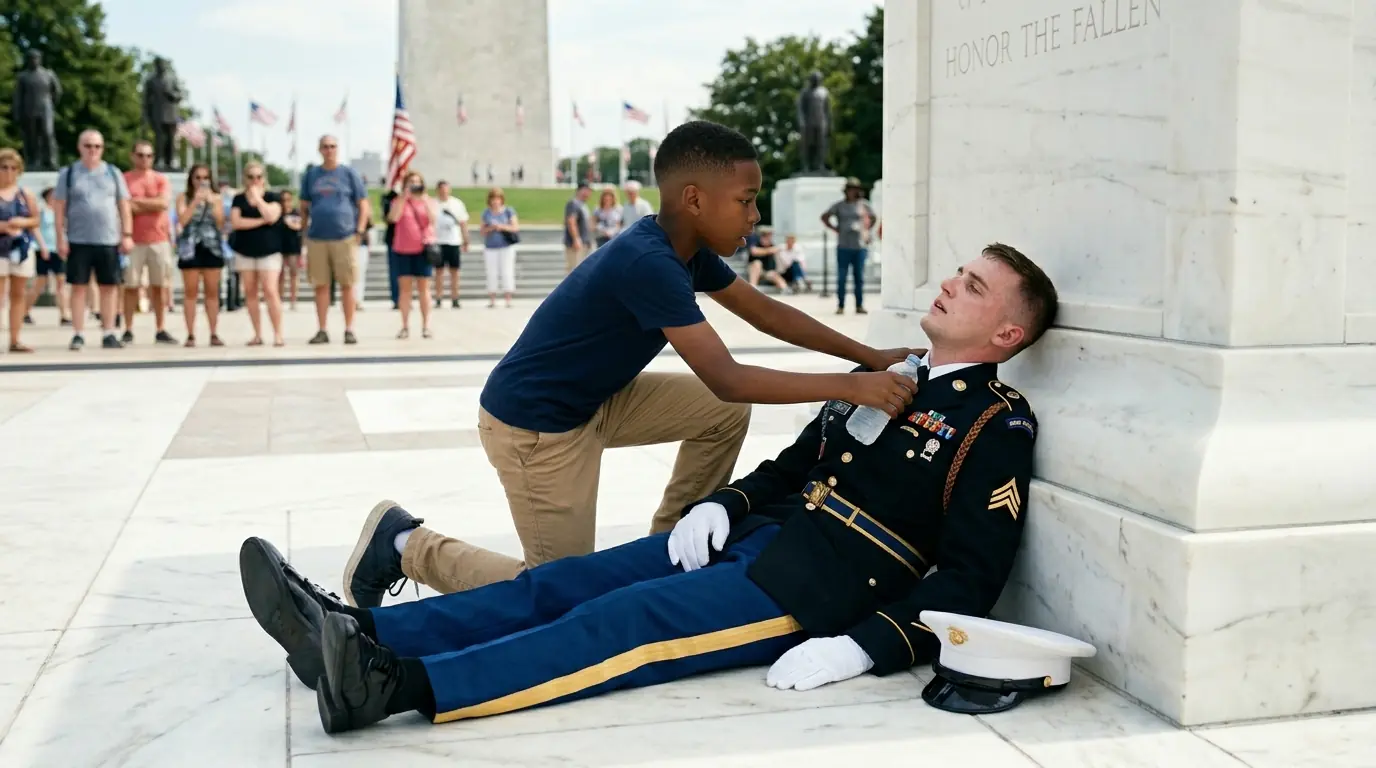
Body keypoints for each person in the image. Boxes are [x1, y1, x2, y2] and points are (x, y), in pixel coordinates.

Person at [238, 241, 1059, 733]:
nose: (950, 284)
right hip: (758, 540)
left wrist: (866, 646)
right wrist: (722, 504)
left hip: (818, 588)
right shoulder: (883, 374)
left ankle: (394, 688)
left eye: (974, 287)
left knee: (622, 623)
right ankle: (355, 634)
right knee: (563, 583)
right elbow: (790, 470)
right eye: (959, 271)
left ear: (1007, 334)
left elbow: (971, 577)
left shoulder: (995, 424)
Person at [334, 120, 923, 609]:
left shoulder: (685, 249)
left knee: (722, 412)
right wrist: (859, 386)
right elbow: (726, 372)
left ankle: (668, 549)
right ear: (695, 199)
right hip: (535, 429)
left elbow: (764, 312)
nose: (753, 216)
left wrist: (869, 356)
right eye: (745, 201)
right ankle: (405, 543)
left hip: (597, 402)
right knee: (564, 599)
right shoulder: (650, 262)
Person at [53, 129, 132, 350]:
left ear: (102, 148)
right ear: (80, 148)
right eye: (88, 145)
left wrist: (127, 234)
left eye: (97, 146)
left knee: (109, 286)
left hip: (108, 239)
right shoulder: (68, 174)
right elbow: (59, 208)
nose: (92, 150)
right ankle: (78, 332)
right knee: (78, 287)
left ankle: (108, 332)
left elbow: (124, 206)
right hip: (78, 239)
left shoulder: (112, 173)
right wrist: (60, 237)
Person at [300, 134, 370, 345]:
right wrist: (303, 231)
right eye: (325, 147)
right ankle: (322, 329)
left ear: (337, 149)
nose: (329, 150)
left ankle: (349, 329)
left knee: (347, 284)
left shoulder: (348, 174)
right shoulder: (312, 175)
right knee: (320, 285)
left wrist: (359, 230)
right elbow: (304, 205)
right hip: (317, 237)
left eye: (332, 146)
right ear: (319, 150)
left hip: (344, 236)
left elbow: (363, 204)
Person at [120, 140, 177, 345]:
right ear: (133, 156)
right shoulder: (125, 179)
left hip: (158, 238)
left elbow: (162, 203)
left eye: (149, 155)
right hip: (133, 239)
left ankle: (160, 327)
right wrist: (147, 205)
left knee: (159, 286)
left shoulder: (160, 179)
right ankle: (127, 328)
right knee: (131, 285)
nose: (145, 159)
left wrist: (137, 204)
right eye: (141, 155)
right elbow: (123, 206)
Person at [229, 162, 285, 346]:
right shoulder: (238, 199)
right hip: (245, 251)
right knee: (250, 292)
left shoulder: (272, 196)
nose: (255, 180)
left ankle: (278, 333)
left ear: (264, 178)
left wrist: (258, 200)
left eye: (258, 177)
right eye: (251, 177)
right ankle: (257, 333)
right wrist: (261, 221)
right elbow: (237, 222)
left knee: (270, 290)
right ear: (245, 178)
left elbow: (272, 215)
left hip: (269, 251)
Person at [174, 164, 226, 347]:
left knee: (212, 292)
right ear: (191, 179)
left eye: (205, 178)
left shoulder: (217, 198)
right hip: (190, 247)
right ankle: (190, 334)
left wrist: (212, 204)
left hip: (211, 246)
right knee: (191, 292)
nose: (202, 181)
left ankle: (213, 332)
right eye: (198, 177)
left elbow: (220, 223)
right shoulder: (183, 198)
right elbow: (181, 220)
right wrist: (195, 202)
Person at [386, 170, 437, 339]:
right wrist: (403, 197)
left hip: (423, 249)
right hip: (403, 249)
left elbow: (433, 219)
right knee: (405, 290)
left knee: (424, 289)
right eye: (411, 182)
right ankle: (405, 326)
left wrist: (423, 199)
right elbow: (393, 218)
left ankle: (426, 326)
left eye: (417, 182)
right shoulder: (399, 201)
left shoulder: (428, 201)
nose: (415, 185)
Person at [0, 148, 40, 353]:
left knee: (18, 294)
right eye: (4, 167)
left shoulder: (25, 194)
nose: (8, 172)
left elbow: (35, 219)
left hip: (20, 249)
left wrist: (21, 222)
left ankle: (15, 339)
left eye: (12, 168)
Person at [820, 177, 876, 315]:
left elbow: (873, 217)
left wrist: (866, 229)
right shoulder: (839, 205)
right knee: (842, 277)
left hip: (859, 246)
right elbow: (825, 216)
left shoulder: (863, 204)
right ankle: (841, 305)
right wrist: (835, 228)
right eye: (850, 189)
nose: (852, 192)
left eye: (854, 189)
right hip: (844, 245)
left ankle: (859, 305)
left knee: (859, 277)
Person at [478, 187, 518, 308]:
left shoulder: (508, 211)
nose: (495, 201)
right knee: (491, 272)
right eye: (493, 199)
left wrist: (501, 227)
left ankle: (508, 298)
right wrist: (491, 228)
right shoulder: (486, 213)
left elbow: (515, 227)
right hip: (491, 246)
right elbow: (482, 231)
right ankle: (492, 299)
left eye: (498, 199)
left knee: (507, 271)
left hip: (506, 246)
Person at [432, 180, 469, 309]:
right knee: (439, 272)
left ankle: (455, 297)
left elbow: (463, 222)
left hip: (453, 241)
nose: (444, 192)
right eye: (441, 189)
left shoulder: (457, 204)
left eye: (446, 189)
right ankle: (438, 297)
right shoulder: (433, 204)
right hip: (438, 242)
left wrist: (466, 239)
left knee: (455, 272)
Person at [563, 181, 592, 272]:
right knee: (575, 270)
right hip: (576, 244)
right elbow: (571, 221)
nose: (588, 193)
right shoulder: (573, 204)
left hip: (584, 242)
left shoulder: (583, 205)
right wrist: (576, 239)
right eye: (587, 190)